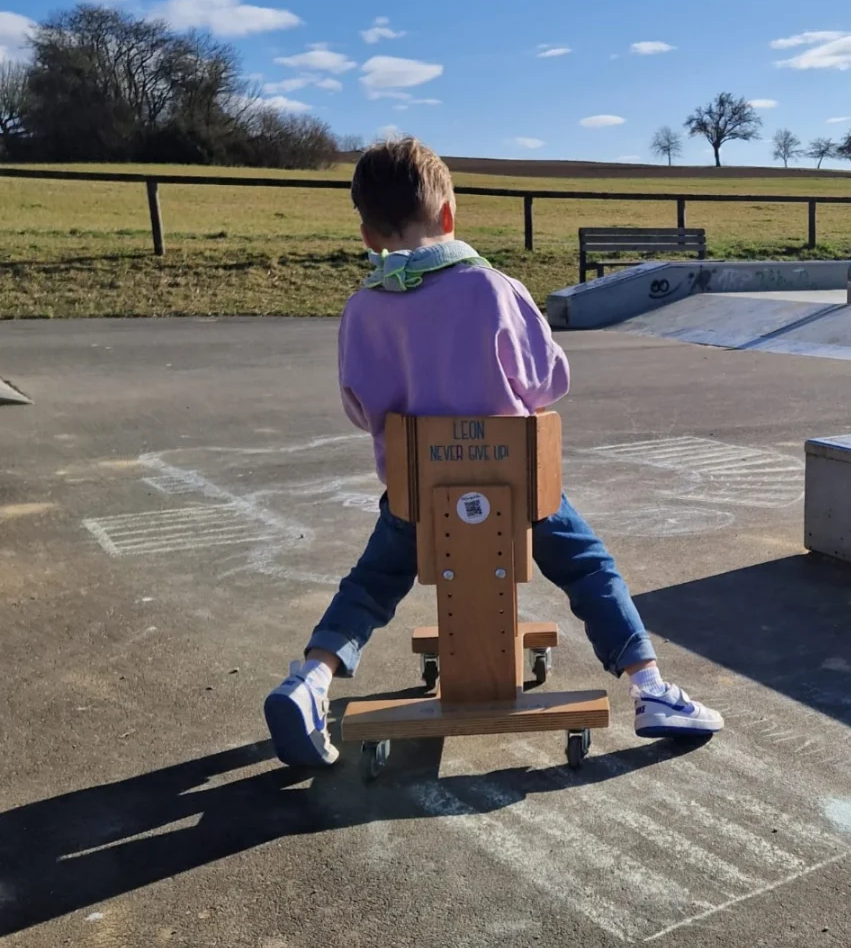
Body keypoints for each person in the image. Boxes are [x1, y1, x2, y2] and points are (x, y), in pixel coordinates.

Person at [263, 137, 723, 766]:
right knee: (590, 568)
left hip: (416, 492)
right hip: (519, 488)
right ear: (449, 215)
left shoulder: (362, 309)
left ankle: (313, 679)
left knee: (371, 583)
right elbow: (547, 382)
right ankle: (648, 686)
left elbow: (360, 409)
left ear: (368, 236)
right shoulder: (493, 288)